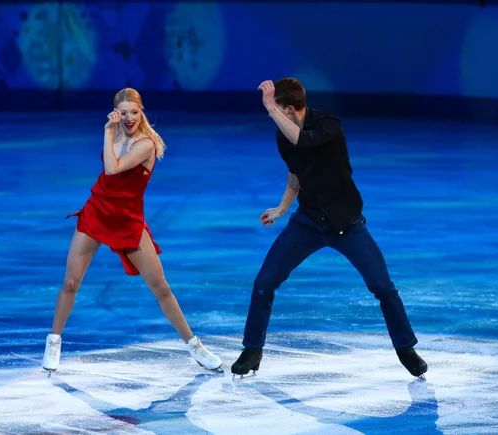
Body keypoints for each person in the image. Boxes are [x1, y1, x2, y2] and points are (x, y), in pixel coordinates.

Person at [231, 78, 427, 378]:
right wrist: (282, 208)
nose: (274, 117)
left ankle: (405, 349)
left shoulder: (329, 126)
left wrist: (270, 106)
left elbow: (303, 141)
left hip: (346, 223)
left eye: (279, 112)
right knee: (264, 282)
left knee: (383, 287)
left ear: (294, 110)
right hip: (308, 221)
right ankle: (252, 350)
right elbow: (295, 172)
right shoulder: (283, 134)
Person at [42, 88, 222, 372]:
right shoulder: (115, 134)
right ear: (116, 112)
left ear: (142, 111)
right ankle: (53, 341)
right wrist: (110, 132)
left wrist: (107, 130)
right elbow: (108, 174)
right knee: (71, 282)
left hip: (128, 221)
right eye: (123, 113)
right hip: (97, 212)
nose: (129, 118)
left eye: (134, 112)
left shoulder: (146, 144)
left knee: (160, 287)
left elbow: (113, 169)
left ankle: (194, 346)